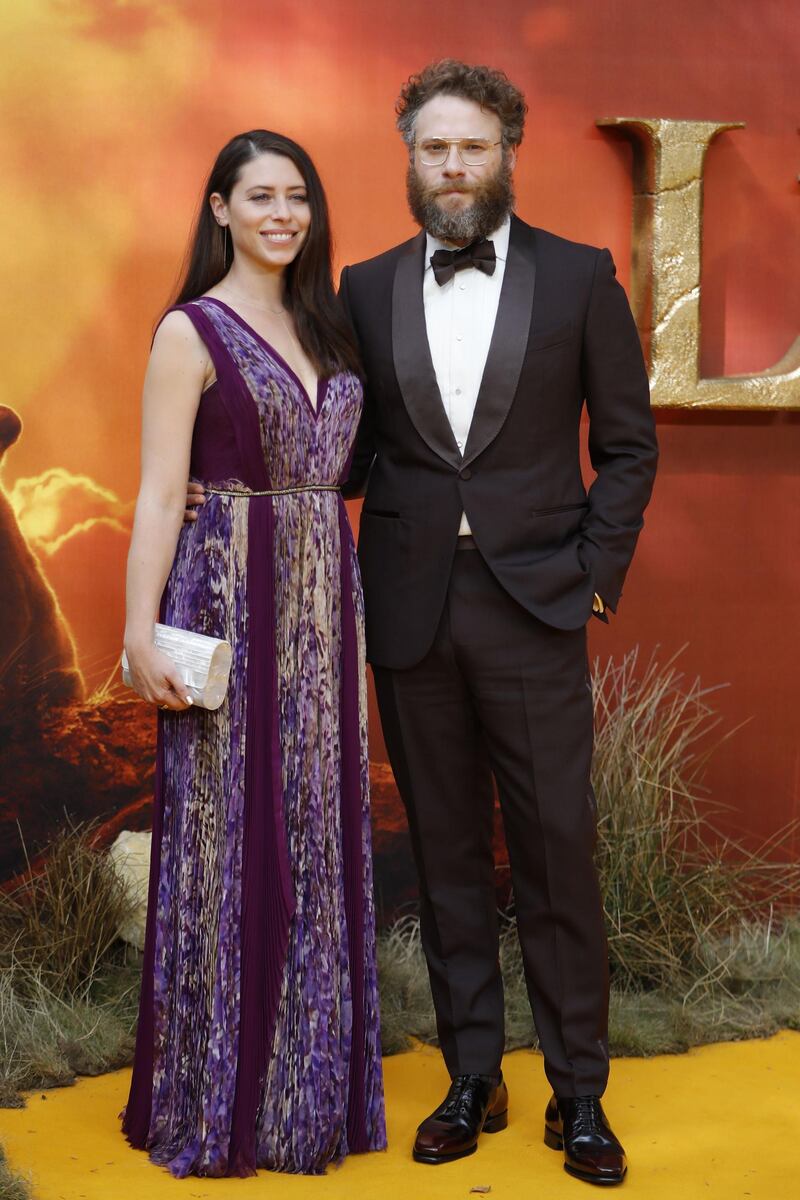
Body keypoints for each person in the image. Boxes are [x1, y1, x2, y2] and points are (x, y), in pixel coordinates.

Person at [187, 61, 658, 1186]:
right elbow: (335, 448)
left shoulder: (581, 277)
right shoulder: (362, 285)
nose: (453, 166)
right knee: (444, 859)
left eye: (473, 147)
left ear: (506, 154)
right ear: (408, 158)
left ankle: (578, 1096)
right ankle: (471, 1076)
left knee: (554, 858)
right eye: (434, 148)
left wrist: (591, 574)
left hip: (536, 608)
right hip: (402, 615)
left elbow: (629, 447)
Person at [121, 129, 386, 1178]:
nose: (282, 213)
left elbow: (344, 463)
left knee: (317, 837)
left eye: (298, 197)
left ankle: (306, 1090)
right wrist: (138, 631)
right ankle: (217, 1091)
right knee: (226, 838)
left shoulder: (330, 322)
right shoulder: (189, 331)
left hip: (326, 601)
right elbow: (154, 490)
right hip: (226, 595)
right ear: (220, 208)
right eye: (260, 196)